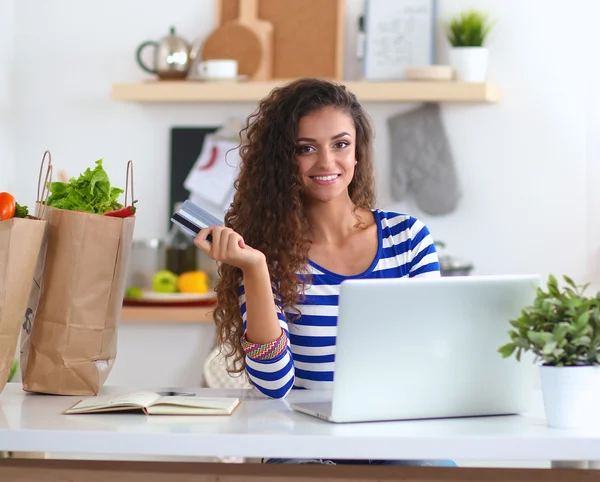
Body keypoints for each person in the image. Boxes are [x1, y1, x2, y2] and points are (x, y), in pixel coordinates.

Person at [194, 78, 455, 467]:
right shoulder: (265, 252)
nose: (327, 162)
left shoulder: (409, 238)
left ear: (357, 152)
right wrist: (256, 268)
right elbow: (274, 385)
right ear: (283, 159)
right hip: (305, 446)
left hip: (397, 435)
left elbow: (434, 357)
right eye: (306, 148)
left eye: (340, 144)